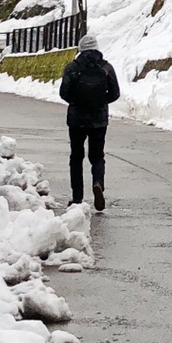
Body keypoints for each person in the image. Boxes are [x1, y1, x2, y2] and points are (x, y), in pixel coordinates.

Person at [59, 34, 120, 213]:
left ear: (80, 49)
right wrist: (101, 102)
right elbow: (115, 93)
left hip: (76, 119)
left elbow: (64, 92)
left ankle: (77, 198)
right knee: (97, 156)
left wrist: (77, 102)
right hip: (99, 119)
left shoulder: (72, 68)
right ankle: (98, 183)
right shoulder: (106, 67)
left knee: (76, 157)